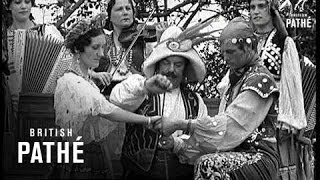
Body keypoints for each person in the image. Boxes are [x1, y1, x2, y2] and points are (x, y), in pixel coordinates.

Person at [154, 17, 281, 180]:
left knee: (207, 164)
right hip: (233, 153)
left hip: (260, 158)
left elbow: (227, 128)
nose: (225, 58)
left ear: (249, 47)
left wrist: (181, 124)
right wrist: (178, 145)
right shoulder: (234, 82)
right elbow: (219, 138)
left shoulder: (260, 80)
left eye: (230, 52)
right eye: (223, 53)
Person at [51, 16, 161, 179]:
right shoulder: (71, 82)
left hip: (91, 151)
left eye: (103, 47)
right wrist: (148, 120)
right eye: (95, 48)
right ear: (77, 50)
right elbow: (109, 111)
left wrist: (94, 74)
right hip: (80, 156)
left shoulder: (85, 79)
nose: (102, 54)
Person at [109, 24, 211, 179]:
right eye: (166, 63)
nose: (171, 69)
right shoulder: (140, 88)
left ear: (185, 68)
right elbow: (116, 99)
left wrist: (176, 144)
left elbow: (203, 139)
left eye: (178, 65)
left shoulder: (195, 101)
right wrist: (146, 87)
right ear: (157, 63)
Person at [91, 0, 167, 96]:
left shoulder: (144, 40)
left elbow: (157, 70)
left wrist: (161, 40)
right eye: (119, 9)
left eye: (128, 8)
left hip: (138, 96)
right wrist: (95, 75)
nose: (125, 12)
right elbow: (77, 65)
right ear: (109, 16)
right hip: (106, 95)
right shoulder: (101, 40)